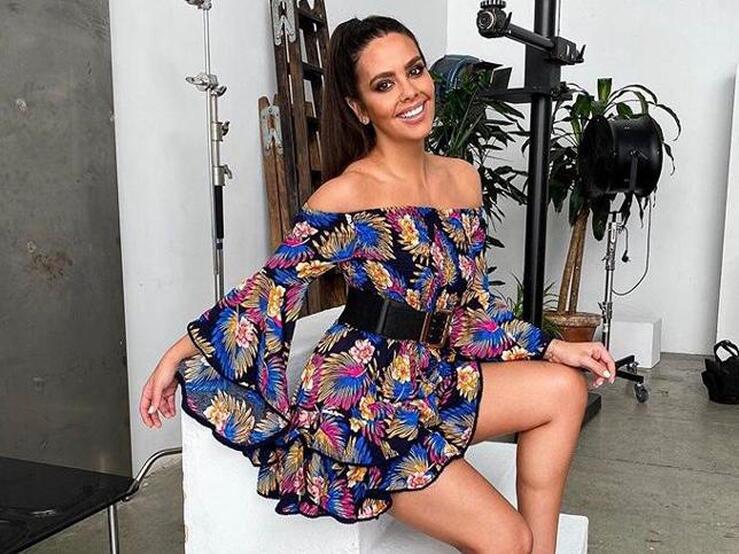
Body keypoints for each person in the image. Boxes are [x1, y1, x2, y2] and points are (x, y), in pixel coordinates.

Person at [139, 15, 615, 554]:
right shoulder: (347, 195)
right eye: (384, 84)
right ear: (360, 107)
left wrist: (552, 347)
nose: (410, 92)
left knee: (564, 389)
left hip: (435, 374)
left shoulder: (461, 178)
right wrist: (178, 352)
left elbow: (471, 306)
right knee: (508, 541)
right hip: (367, 401)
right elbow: (270, 291)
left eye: (415, 71)